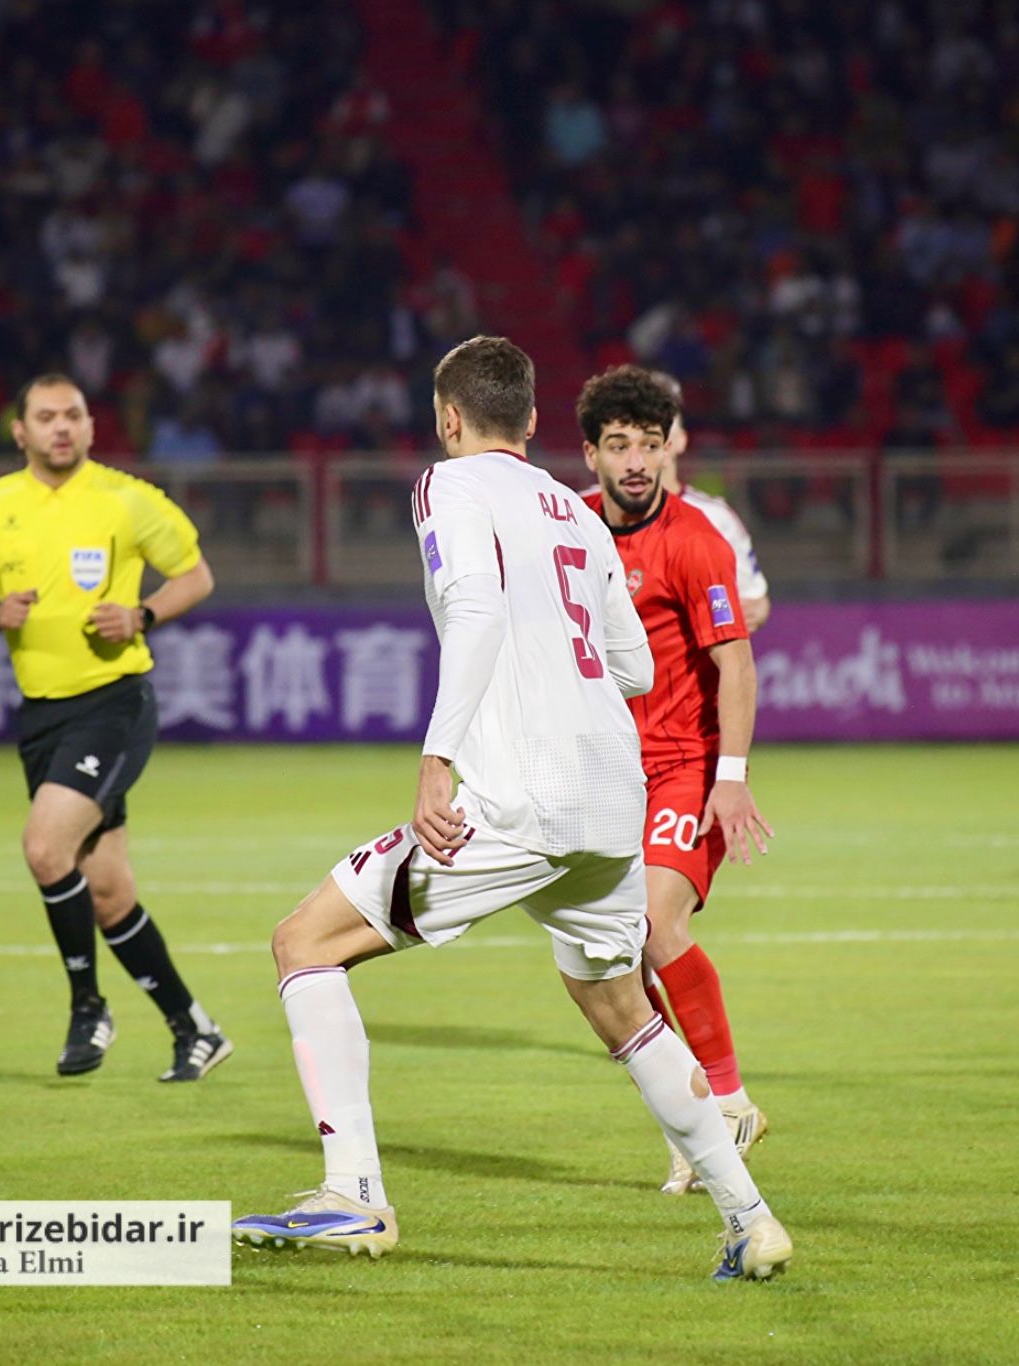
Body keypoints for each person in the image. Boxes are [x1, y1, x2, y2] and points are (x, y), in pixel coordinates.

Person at [231, 337, 794, 1282]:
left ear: (448, 418)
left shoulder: (446, 484)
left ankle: (353, 1194)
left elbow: (478, 613)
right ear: (533, 421)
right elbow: (635, 665)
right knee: (618, 1004)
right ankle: (750, 1217)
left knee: (305, 943)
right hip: (611, 797)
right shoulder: (575, 514)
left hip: (516, 797)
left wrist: (438, 758)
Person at [0, 373, 232, 1080]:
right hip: (42, 716)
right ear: (20, 431)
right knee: (107, 895)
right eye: (45, 417)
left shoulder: (127, 499)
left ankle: (88, 1007)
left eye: (73, 415)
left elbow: (196, 576)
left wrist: (142, 615)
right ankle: (194, 1029)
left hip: (114, 704)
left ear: (91, 427)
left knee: (46, 848)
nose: (61, 427)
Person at [579, 366, 776, 1196]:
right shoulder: (569, 533)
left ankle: (727, 1102)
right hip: (601, 774)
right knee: (607, 963)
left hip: (683, 766)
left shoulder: (697, 540)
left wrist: (729, 779)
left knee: (655, 924)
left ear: (669, 450)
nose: (635, 461)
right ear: (590, 454)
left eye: (649, 445)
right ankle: (692, 1116)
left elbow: (737, 664)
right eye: (618, 444)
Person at [653, 371, 771, 632]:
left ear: (681, 440)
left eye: (663, 428)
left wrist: (757, 609)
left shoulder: (717, 517)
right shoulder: (587, 511)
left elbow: (754, 600)